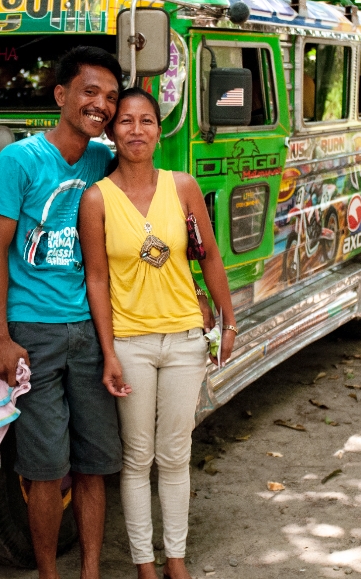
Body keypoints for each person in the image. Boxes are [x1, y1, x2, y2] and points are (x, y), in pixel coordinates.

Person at [79, 88, 237, 579]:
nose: (136, 131)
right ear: (111, 132)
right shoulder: (95, 199)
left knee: (174, 454)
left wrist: (229, 320)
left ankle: (176, 558)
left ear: (159, 129)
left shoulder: (182, 186)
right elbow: (97, 279)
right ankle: (144, 563)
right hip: (130, 342)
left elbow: (208, 255)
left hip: (186, 339)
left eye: (146, 120)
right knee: (136, 457)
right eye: (125, 121)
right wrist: (108, 352)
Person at [0, 46, 123, 579]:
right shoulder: (18, 160)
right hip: (33, 333)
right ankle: (48, 574)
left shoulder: (102, 162)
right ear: (61, 95)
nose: (101, 105)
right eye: (90, 92)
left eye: (110, 97)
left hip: (89, 329)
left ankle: (89, 571)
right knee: (45, 468)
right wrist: (0, 336)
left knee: (94, 464)